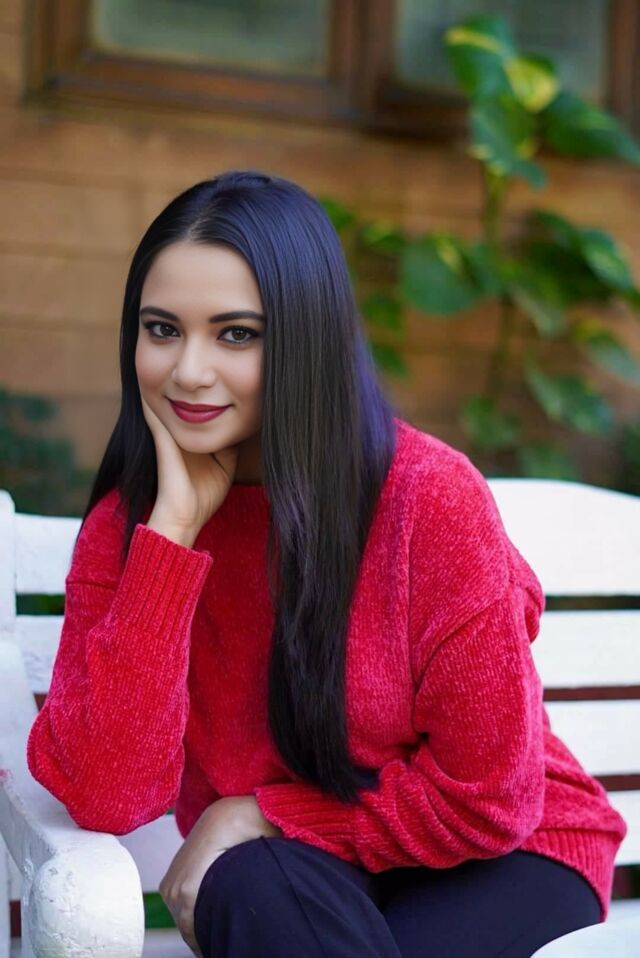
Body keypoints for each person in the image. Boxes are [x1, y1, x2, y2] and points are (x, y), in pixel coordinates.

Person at [26, 170, 627, 958]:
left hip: (503, 856)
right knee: (251, 885)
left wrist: (262, 812)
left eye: (236, 334)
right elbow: (106, 793)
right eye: (162, 329)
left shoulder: (427, 499)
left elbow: (490, 801)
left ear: (305, 339)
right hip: (306, 872)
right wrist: (171, 538)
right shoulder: (128, 528)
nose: (188, 371)